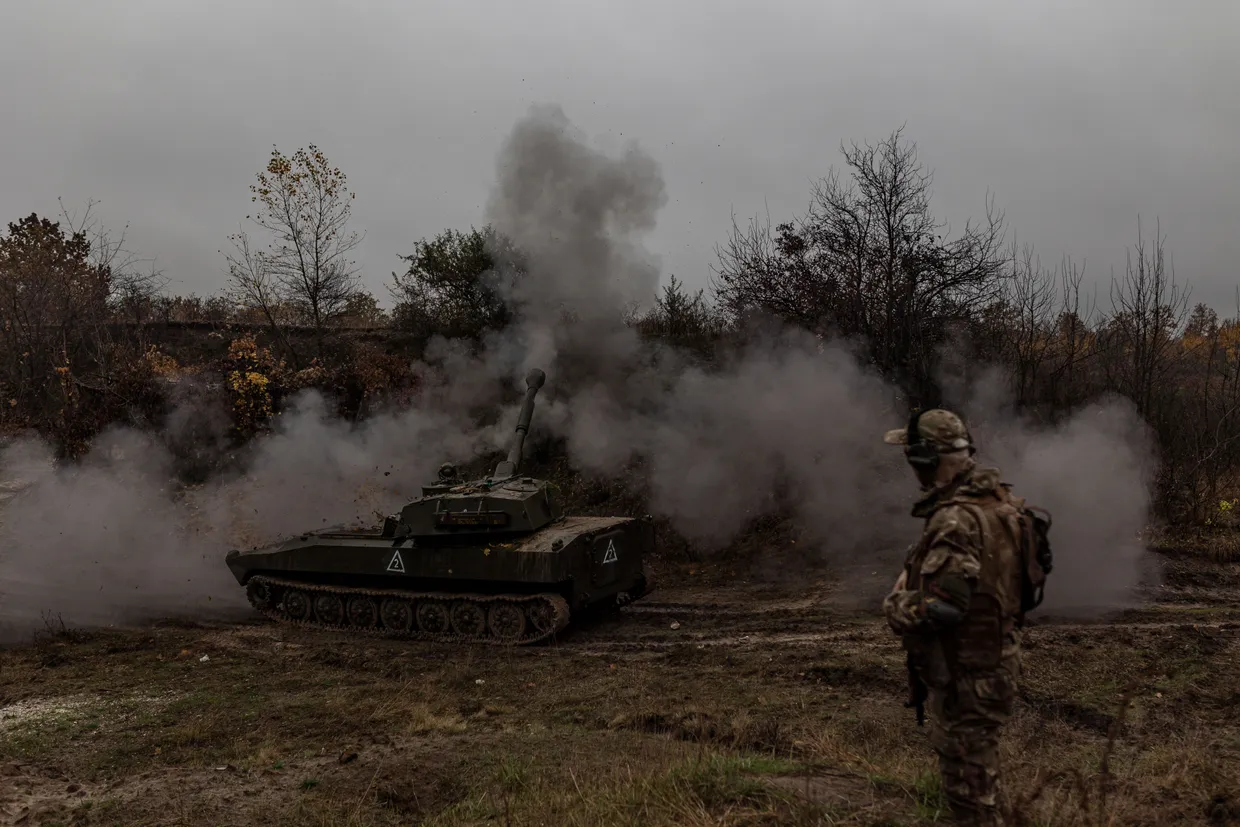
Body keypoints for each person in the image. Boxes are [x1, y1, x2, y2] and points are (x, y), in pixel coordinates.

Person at [881, 408, 1027, 827]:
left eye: (913, 457)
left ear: (927, 460)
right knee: (979, 786)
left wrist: (895, 605)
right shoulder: (998, 502)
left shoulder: (955, 519)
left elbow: (946, 607)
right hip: (993, 660)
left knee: (970, 802)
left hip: (968, 676)